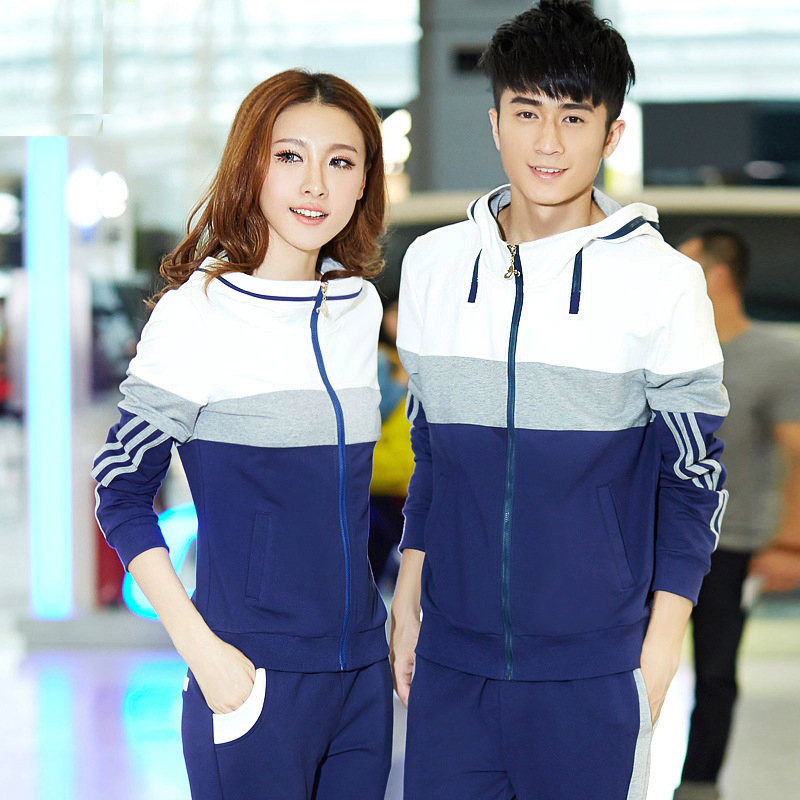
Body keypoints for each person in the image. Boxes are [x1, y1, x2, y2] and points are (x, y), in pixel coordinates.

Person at [389, 2, 729, 798]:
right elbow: (433, 453)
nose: (547, 142)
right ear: (495, 122)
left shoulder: (663, 282)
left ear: (611, 134)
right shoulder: (434, 266)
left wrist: (662, 642)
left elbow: (695, 478)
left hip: (594, 671)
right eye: (526, 112)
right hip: (452, 668)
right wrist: (407, 594)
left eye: (574, 117)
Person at [92, 69, 392, 800]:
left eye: (340, 162)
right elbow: (119, 490)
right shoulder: (198, 312)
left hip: (361, 678)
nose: (314, 184)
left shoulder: (358, 309)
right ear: (251, 165)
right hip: (249, 678)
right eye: (289, 156)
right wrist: (204, 653)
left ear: (363, 183)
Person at [673, 230, 800, 800]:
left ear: (717, 274)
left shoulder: (777, 357)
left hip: (731, 544)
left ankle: (698, 786)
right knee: (623, 666)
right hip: (655, 540)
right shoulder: (667, 352)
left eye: (685, 265)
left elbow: (798, 455)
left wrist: (789, 544)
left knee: (716, 673)